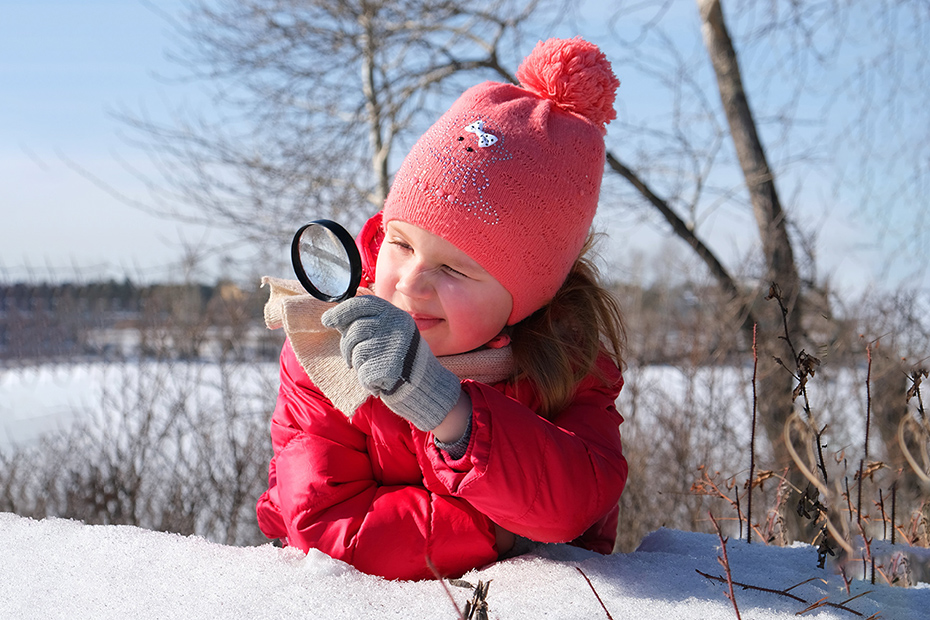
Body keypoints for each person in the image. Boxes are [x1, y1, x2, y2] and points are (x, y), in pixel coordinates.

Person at [256, 36, 628, 581]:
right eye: (401, 243)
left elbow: (578, 502)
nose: (410, 281)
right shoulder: (325, 354)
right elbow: (328, 529)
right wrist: (498, 533)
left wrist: (453, 415)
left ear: (529, 297)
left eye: (454, 270)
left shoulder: (567, 366)